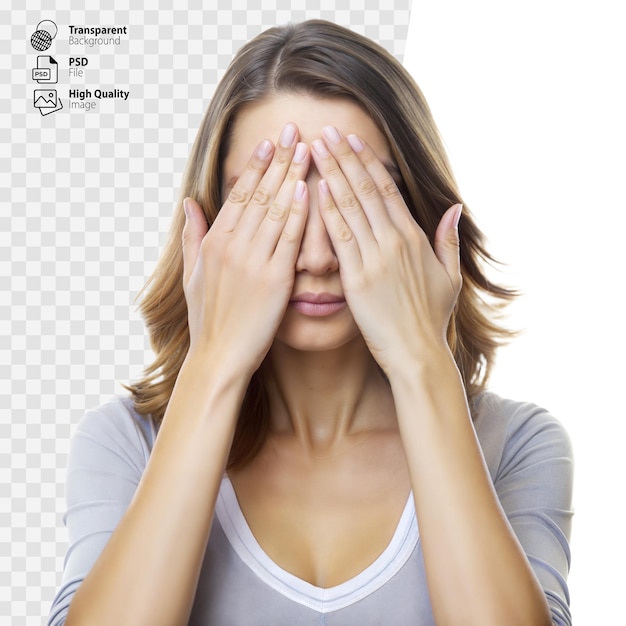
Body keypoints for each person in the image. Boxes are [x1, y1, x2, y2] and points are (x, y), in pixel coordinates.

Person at [47, 19, 573, 626]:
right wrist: (214, 361)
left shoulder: (518, 444)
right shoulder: (125, 445)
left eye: (362, 200)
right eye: (272, 201)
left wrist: (420, 360)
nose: (320, 256)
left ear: (423, 220)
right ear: (210, 226)